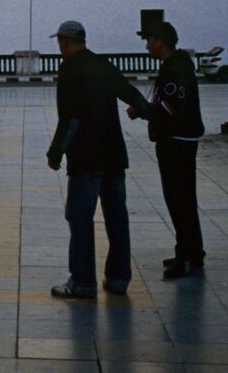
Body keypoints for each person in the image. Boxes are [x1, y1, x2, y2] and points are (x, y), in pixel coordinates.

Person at [46, 20, 150, 299]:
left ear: (64, 42)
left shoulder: (69, 68)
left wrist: (56, 152)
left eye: (60, 42)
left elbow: (70, 118)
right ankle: (118, 278)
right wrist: (145, 111)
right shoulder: (102, 63)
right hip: (114, 153)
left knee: (80, 218)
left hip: (86, 156)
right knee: (117, 217)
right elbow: (130, 93)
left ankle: (83, 282)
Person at [130, 22, 205, 279]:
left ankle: (187, 257)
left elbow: (171, 107)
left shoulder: (176, 69)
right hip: (178, 138)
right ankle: (191, 251)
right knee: (182, 197)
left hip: (177, 140)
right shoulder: (176, 66)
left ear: (160, 41)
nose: (146, 46)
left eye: (149, 40)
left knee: (179, 198)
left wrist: (141, 111)